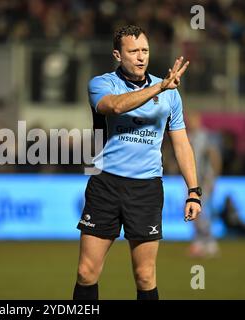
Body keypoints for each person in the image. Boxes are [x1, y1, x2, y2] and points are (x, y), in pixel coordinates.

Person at [73, 25, 202, 300]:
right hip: (105, 184)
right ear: (118, 55)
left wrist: (194, 191)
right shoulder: (102, 83)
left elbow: (181, 144)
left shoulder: (170, 93)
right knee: (86, 272)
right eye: (133, 51)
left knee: (145, 276)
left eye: (145, 50)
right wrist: (159, 87)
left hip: (146, 190)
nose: (141, 57)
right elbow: (115, 107)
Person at [186, 111, 221, 258]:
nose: (190, 123)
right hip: (192, 182)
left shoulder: (205, 136)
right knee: (194, 212)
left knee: (202, 212)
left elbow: (214, 155)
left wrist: (214, 177)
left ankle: (209, 242)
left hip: (204, 180)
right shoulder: (187, 136)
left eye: (193, 120)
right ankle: (200, 241)